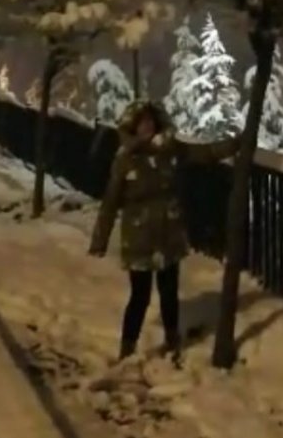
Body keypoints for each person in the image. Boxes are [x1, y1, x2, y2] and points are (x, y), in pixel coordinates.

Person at [88, 98, 240, 361]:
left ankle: (172, 340)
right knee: (140, 296)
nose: (146, 127)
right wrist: (100, 238)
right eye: (141, 123)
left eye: (150, 122)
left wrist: (236, 144)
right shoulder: (125, 159)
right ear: (133, 127)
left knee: (169, 292)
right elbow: (111, 201)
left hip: (168, 234)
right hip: (139, 238)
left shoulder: (170, 150)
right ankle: (127, 348)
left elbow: (204, 153)